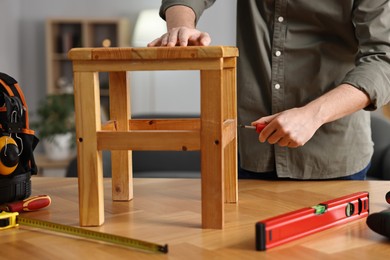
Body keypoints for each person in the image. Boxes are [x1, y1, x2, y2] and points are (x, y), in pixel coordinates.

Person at [148, 0, 390, 180]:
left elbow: (383, 60)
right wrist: (181, 26)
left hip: (333, 158)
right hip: (251, 154)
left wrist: (313, 115)